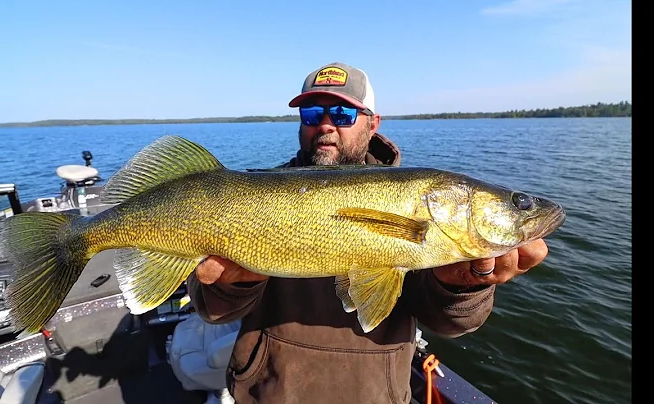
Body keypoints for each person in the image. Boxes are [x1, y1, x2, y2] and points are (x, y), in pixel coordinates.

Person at [186, 62, 550, 403]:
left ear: (372, 123)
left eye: (342, 114)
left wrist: (462, 285)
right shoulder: (252, 191)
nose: (325, 125)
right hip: (269, 392)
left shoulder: (419, 207)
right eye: (312, 114)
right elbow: (212, 312)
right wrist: (231, 286)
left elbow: (452, 322)